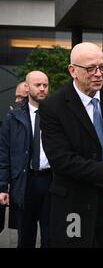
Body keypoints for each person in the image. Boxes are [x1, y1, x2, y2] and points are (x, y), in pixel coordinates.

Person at [39, 42, 103, 248]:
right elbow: (62, 161)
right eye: (91, 68)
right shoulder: (53, 106)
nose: (99, 74)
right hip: (74, 205)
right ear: (72, 70)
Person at [0, 71, 51, 248]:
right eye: (38, 85)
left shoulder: (56, 113)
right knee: (25, 237)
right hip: (24, 181)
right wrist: (2, 187)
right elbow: (4, 153)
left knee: (50, 237)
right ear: (27, 87)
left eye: (45, 85)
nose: (43, 89)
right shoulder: (13, 118)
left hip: (50, 180)